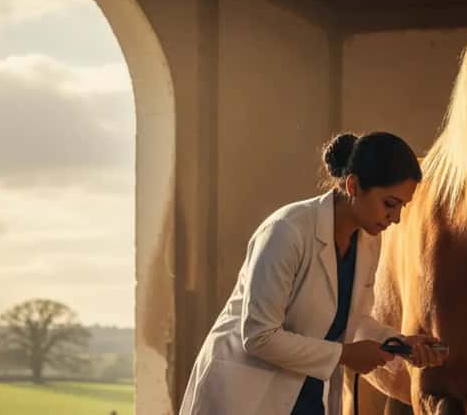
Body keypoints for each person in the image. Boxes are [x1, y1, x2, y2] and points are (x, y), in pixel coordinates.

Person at [179, 132, 449, 415]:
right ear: (353, 185)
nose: (395, 219)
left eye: (402, 207)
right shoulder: (286, 231)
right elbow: (259, 335)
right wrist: (345, 355)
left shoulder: (368, 241)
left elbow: (352, 322)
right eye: (390, 204)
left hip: (307, 396)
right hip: (244, 395)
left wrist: (399, 343)